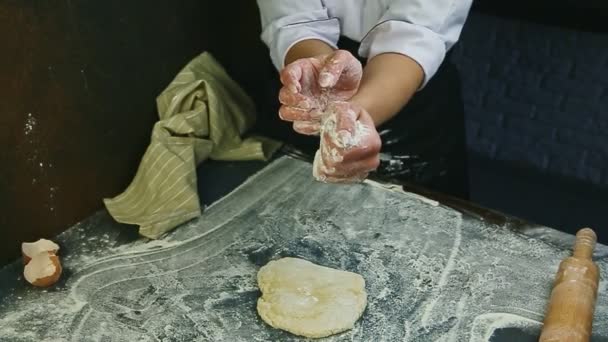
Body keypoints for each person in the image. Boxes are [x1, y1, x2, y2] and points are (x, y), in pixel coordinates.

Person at [255, 0, 473, 199]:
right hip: (305, 76)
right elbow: (293, 20)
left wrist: (350, 117)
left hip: (405, 81)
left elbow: (414, 36)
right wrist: (318, 74)